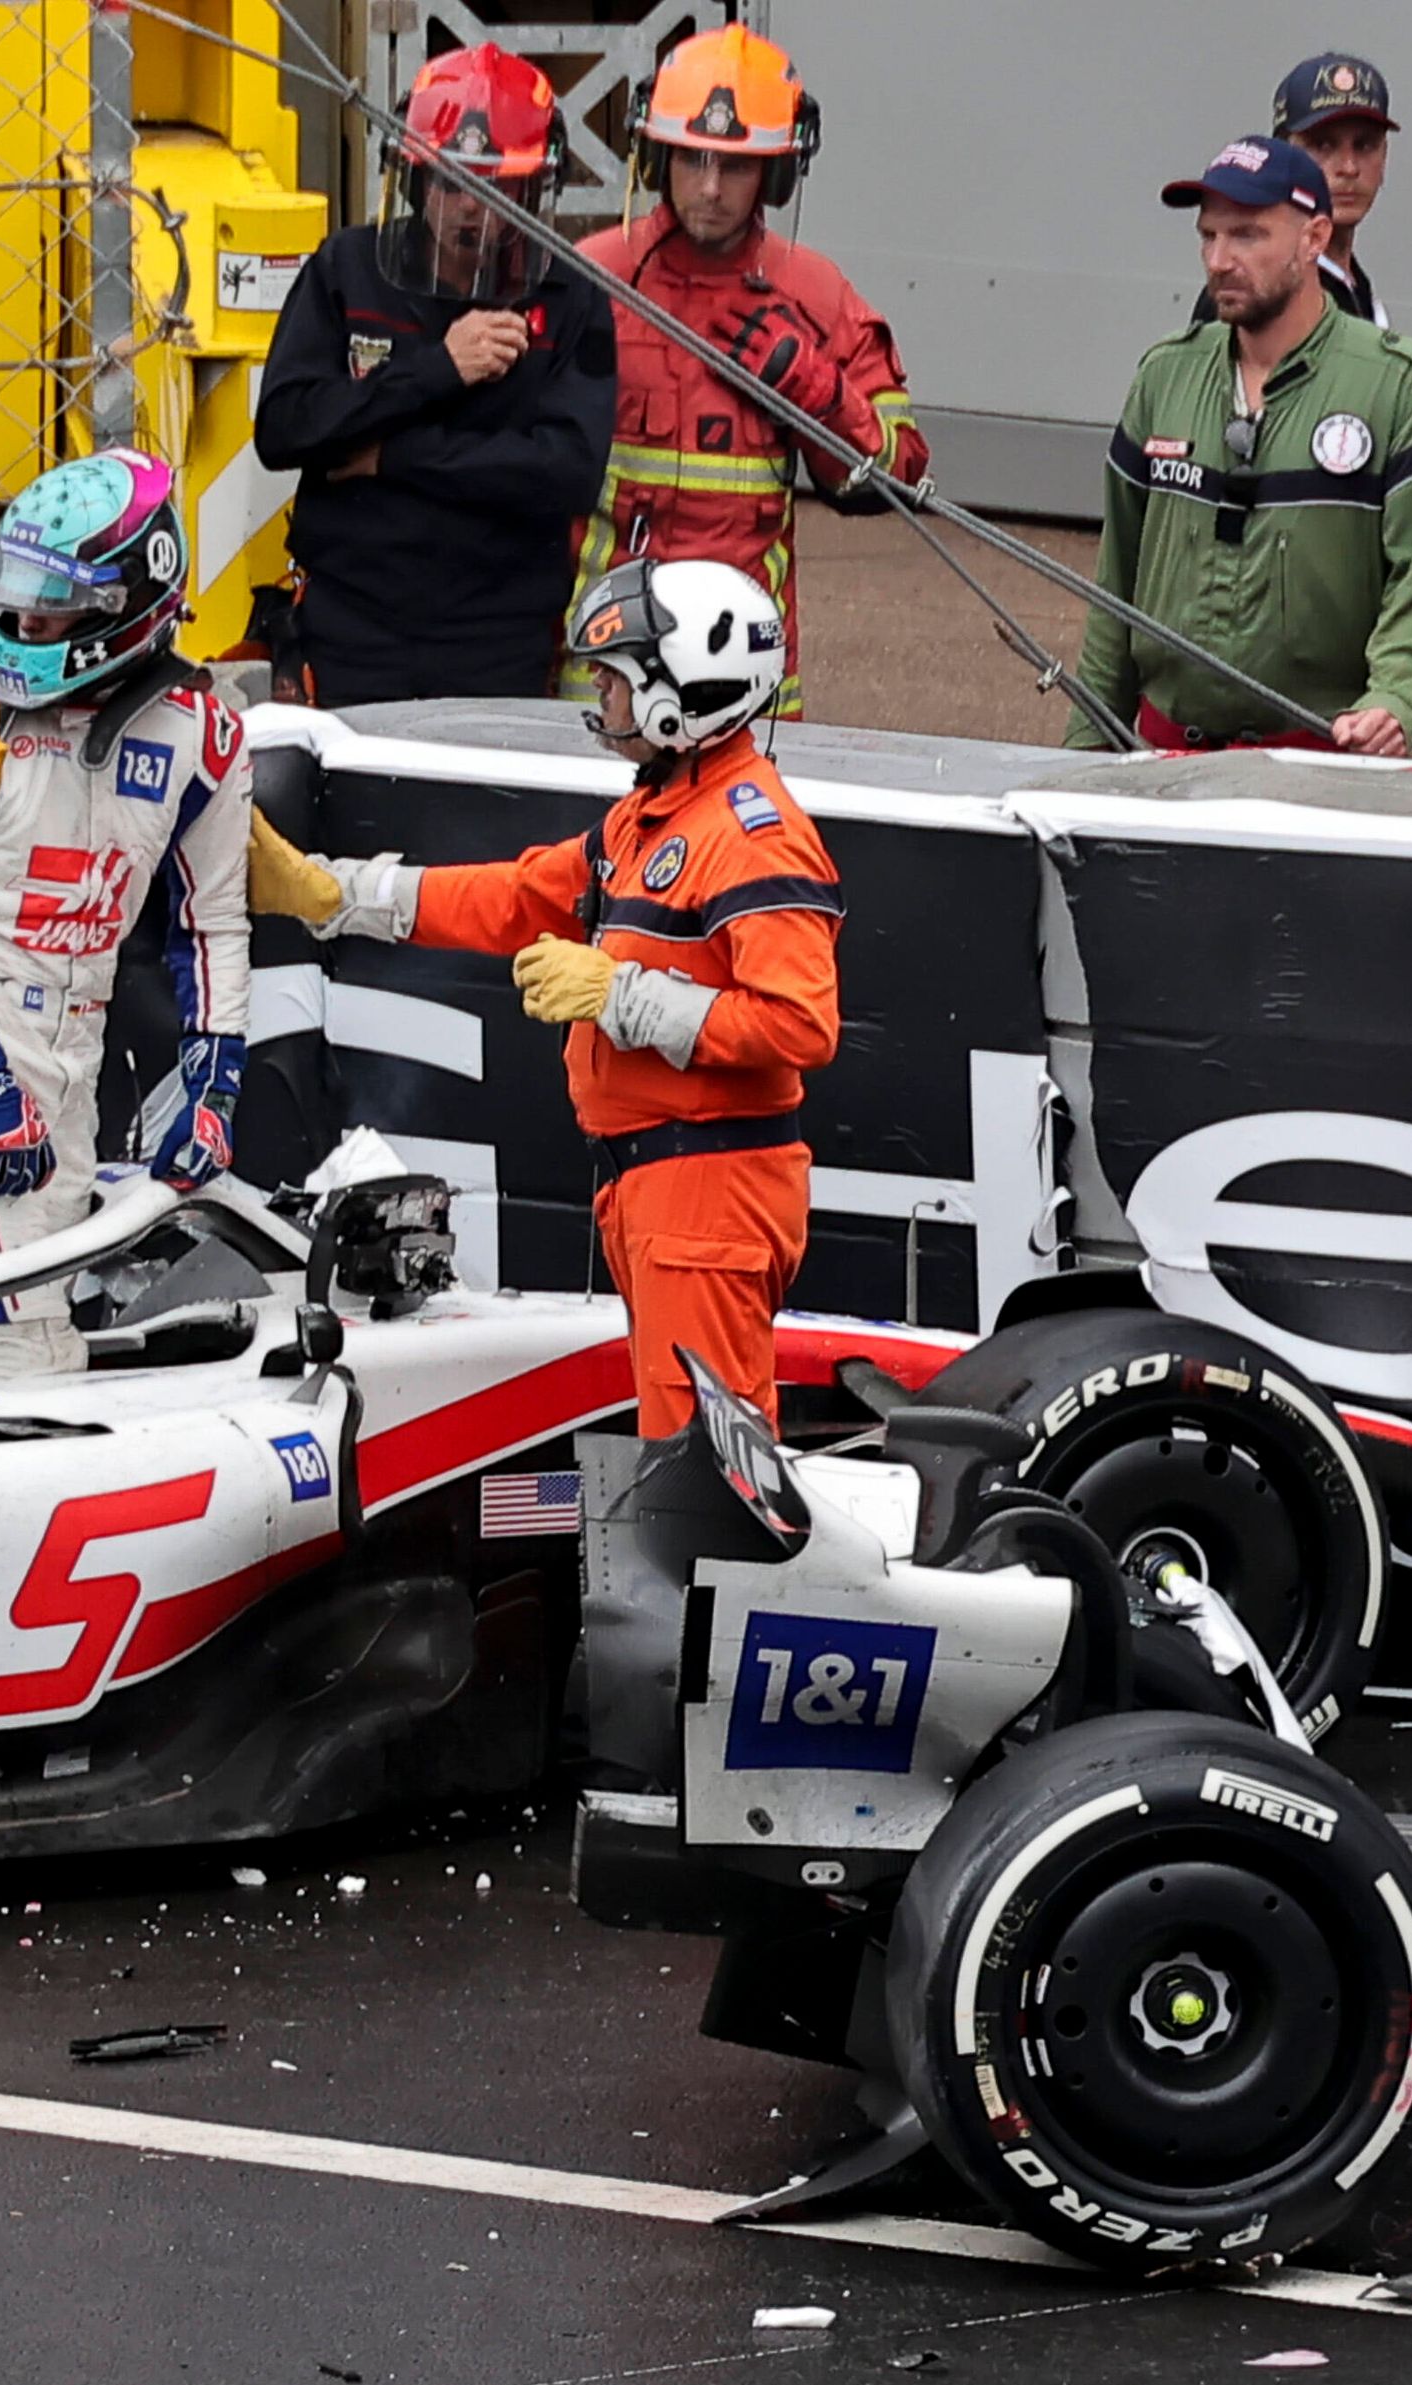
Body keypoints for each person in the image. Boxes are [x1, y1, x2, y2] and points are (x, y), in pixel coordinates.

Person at [251, 558, 836, 1438]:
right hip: (663, 1188)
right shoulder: (654, 815)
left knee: (700, 1464)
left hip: (708, 1194)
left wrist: (619, 994)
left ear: (683, 692)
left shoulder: (754, 835)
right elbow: (518, 897)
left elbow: (800, 1025)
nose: (600, 692)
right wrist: (337, 895)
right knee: (685, 1452)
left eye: (616, 676)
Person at [0, 449, 253, 1376]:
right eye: (19, 586)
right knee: (18, 1344)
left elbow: (211, 925)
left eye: (54, 599)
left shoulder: (205, 733)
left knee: (43, 1326)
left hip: (79, 1050)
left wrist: (216, 1081)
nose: (24, 619)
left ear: (130, 605)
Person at [1069, 137, 1412, 755]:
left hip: (1323, 765)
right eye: (1208, 236)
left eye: (1247, 235)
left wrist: (1398, 698)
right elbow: (1114, 586)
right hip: (1166, 758)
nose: (1219, 260)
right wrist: (1086, 748)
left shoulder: (1400, 387)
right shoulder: (1165, 378)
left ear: (1314, 238)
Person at [567, 22, 925, 718]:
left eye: (735, 167)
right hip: (607, 667)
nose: (710, 188)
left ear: (776, 174)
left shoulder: (816, 296)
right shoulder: (593, 279)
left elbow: (901, 472)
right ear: (658, 157)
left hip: (746, 679)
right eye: (694, 159)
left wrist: (817, 391)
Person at [250, 42, 616, 706]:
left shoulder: (569, 298)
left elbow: (565, 473)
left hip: (497, 638)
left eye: (494, 187)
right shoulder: (348, 269)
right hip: (352, 628)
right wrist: (440, 368)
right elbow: (285, 428)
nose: (469, 207)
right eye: (450, 183)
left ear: (531, 189)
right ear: (415, 178)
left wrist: (391, 456)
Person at [1195, 54, 1397, 329]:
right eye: (1323, 145)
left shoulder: (1354, 284)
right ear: (1283, 152)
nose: (1348, 168)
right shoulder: (1254, 289)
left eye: (1365, 145)